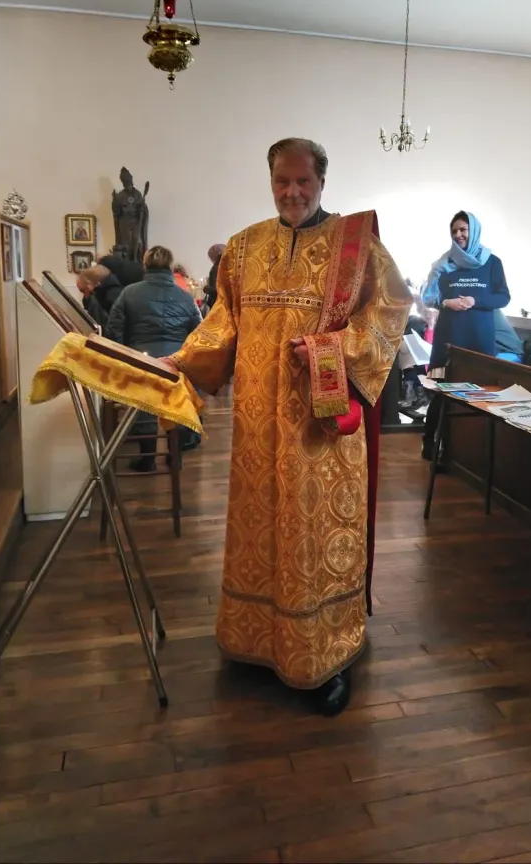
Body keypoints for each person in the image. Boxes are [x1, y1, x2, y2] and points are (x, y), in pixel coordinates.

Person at [162, 137, 410, 715]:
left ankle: (325, 650)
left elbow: (390, 311)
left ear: (322, 181)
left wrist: (334, 345)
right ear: (270, 180)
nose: (292, 192)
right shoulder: (243, 247)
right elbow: (222, 320)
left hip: (319, 431)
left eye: (303, 181)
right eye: (282, 181)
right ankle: (255, 638)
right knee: (260, 526)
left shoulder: (359, 248)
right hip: (255, 427)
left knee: (312, 534)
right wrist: (182, 359)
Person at [421, 210, 511, 459]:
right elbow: (428, 297)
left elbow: (503, 297)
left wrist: (475, 300)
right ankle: (431, 444)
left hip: (479, 342)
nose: (459, 235)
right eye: (454, 231)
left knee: (478, 395)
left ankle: (470, 454)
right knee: (440, 393)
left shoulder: (492, 262)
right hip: (447, 342)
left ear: (474, 231)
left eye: (463, 229)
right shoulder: (443, 264)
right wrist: (445, 302)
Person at [106, 245, 201, 470]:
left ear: (145, 264)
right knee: (176, 407)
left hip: (141, 359)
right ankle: (175, 457)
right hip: (175, 362)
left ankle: (147, 458)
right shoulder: (185, 296)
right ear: (170, 265)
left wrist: (123, 356)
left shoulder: (129, 292)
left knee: (144, 409)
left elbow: (114, 328)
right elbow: (197, 332)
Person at [76, 265, 123, 329]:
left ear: (90, 285)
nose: (85, 295)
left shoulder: (107, 297)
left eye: (83, 291)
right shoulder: (110, 292)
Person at [203, 244, 226, 311]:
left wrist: (206, 288)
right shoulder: (231, 266)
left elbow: (217, 290)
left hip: (218, 306)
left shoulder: (216, 268)